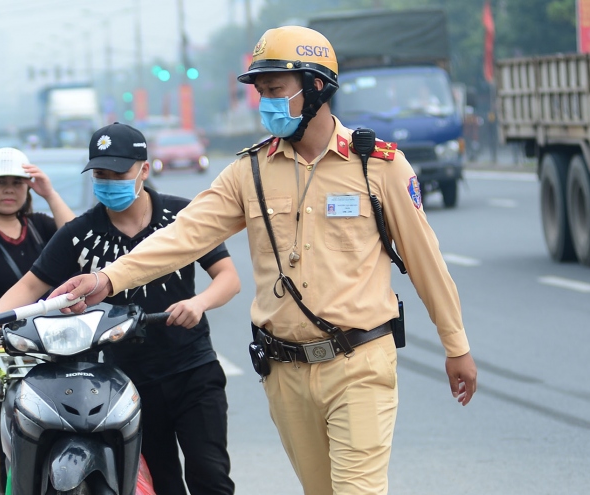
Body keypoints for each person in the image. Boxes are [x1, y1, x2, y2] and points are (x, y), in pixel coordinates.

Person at [50, 26, 478, 495]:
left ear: (315, 87)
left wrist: (455, 345)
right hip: (285, 373)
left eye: (275, 90)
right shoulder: (247, 172)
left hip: (359, 364)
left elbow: (425, 260)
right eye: (261, 92)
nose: (265, 102)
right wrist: (108, 280)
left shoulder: (378, 166)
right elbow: (184, 235)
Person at [0, 122, 241, 495]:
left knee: (210, 477)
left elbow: (228, 277)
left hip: (193, 370)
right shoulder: (80, 233)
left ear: (144, 170)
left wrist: (199, 302)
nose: (109, 182)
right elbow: (31, 286)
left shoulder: (182, 218)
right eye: (100, 174)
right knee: (161, 482)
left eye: (118, 173)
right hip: (124, 381)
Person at [0, 147, 76, 495]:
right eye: (0, 183)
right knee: (10, 447)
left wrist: (49, 193)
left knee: (56, 436)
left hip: (47, 347)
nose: (8, 190)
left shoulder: (41, 226)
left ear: (28, 188)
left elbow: (78, 242)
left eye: (16, 184)